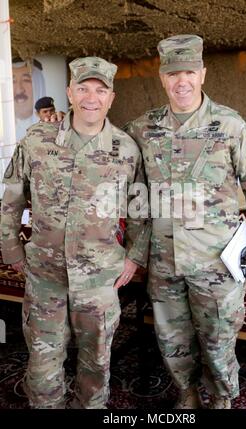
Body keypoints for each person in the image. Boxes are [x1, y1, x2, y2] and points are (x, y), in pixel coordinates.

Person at [124, 34, 246, 409]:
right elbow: (135, 200)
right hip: (165, 262)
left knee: (218, 340)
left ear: (203, 74)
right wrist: (136, 252)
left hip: (217, 262)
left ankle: (222, 400)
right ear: (162, 78)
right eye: (173, 73)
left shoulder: (230, 126)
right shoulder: (143, 129)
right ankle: (187, 395)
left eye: (189, 72)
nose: (182, 81)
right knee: (171, 338)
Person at [1, 56, 150, 409]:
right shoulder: (38, 140)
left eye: (100, 90)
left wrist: (133, 259)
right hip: (45, 279)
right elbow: (10, 199)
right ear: (69, 92)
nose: (91, 98)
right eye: (83, 88)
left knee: (95, 369)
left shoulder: (126, 150)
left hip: (99, 282)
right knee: (41, 370)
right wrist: (12, 252)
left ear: (111, 97)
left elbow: (141, 212)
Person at [13, 59, 46, 141]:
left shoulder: (51, 127)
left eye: (26, 80)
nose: (19, 90)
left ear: (38, 86)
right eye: (12, 81)